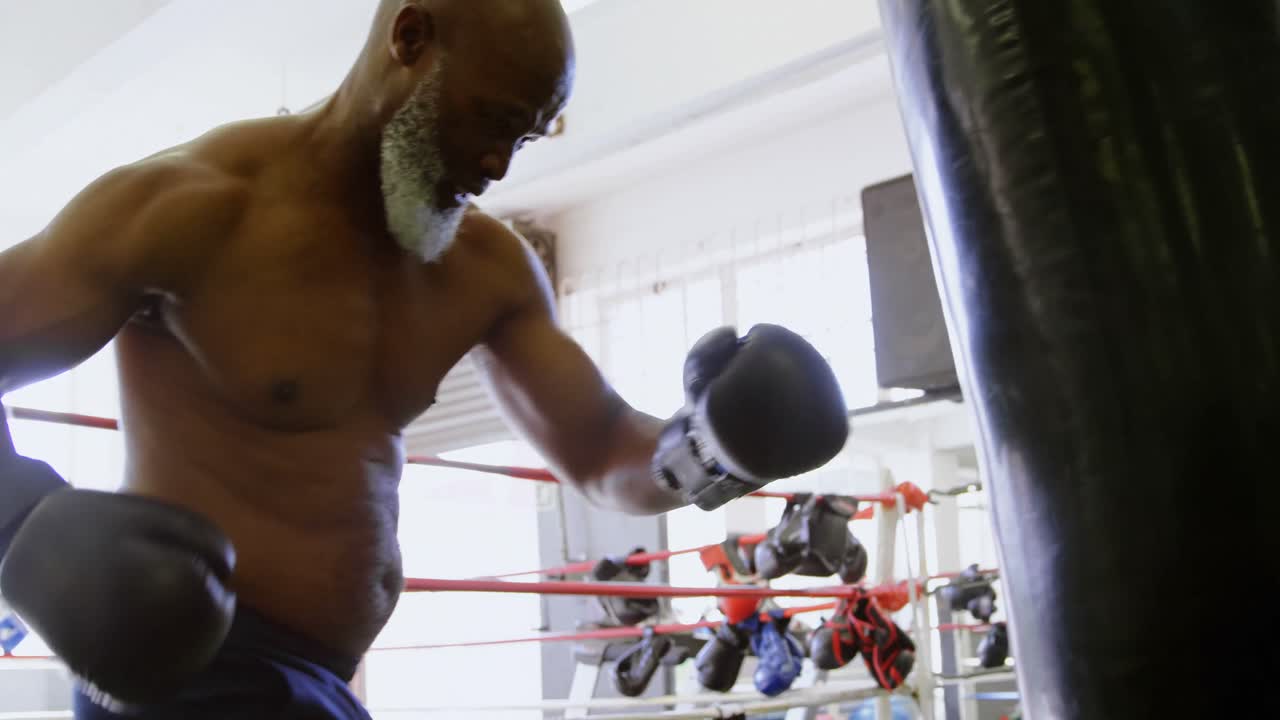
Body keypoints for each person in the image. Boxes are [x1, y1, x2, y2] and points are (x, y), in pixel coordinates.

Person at [0, 1, 850, 718]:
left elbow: (599, 450)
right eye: (491, 119)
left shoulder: (485, 267)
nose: (496, 164)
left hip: (318, 683)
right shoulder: (189, 210)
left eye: (523, 137)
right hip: (192, 676)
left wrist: (707, 450)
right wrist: (23, 527)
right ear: (410, 39)